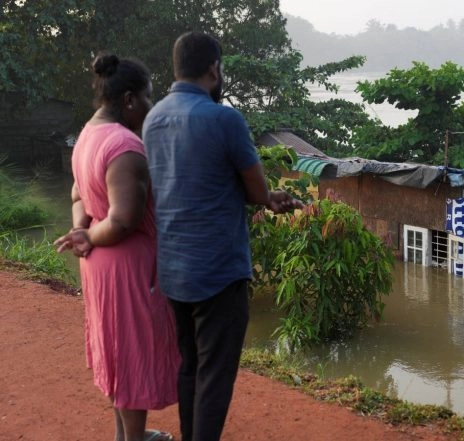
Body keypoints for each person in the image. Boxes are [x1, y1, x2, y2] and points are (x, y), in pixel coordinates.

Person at [142, 31, 302, 441]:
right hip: (218, 272)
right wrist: (270, 198)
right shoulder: (224, 118)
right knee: (215, 374)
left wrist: (262, 196)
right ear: (214, 68)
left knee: (190, 366)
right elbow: (254, 191)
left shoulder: (153, 118)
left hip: (173, 271)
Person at [54, 53, 179, 441]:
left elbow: (78, 194)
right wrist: (90, 235)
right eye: (148, 96)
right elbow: (124, 219)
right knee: (132, 353)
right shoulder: (126, 146)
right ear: (128, 99)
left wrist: (82, 231)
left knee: (116, 350)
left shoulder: (88, 134)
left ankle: (126, 435)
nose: (151, 105)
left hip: (98, 263)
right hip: (126, 268)